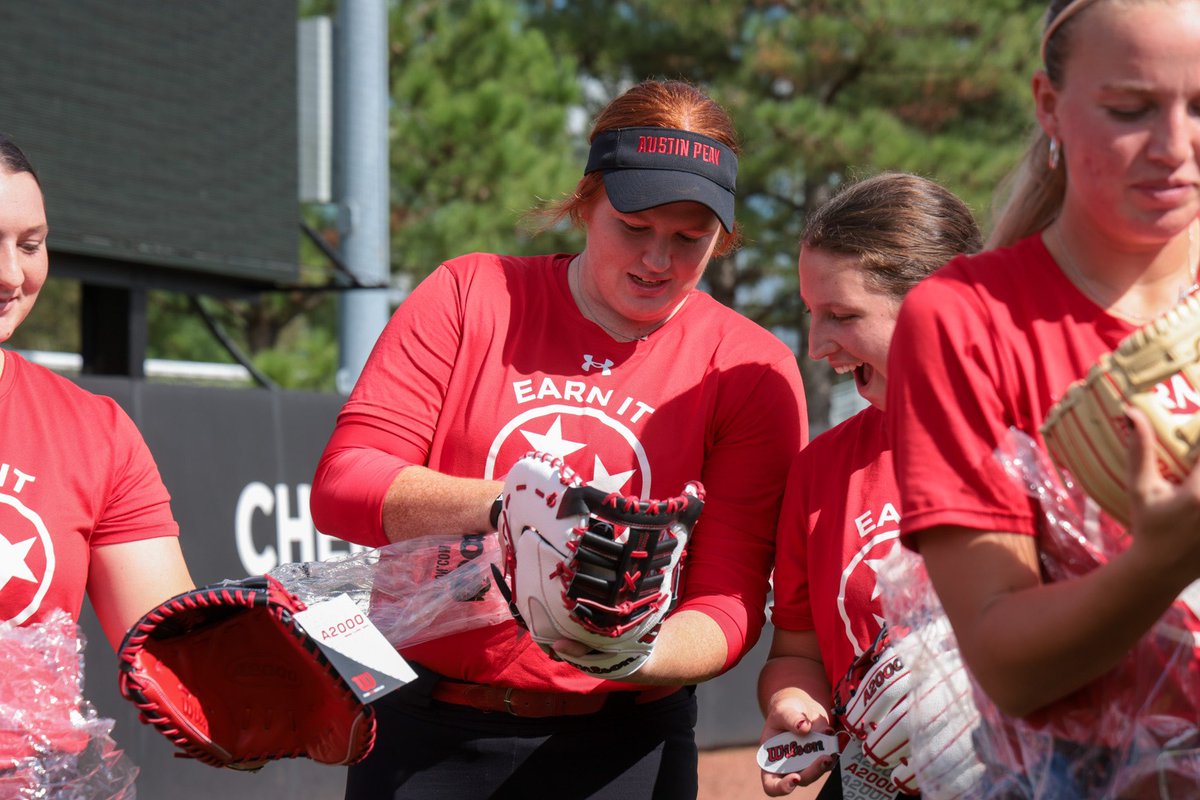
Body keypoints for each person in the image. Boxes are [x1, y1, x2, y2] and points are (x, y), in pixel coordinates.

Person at [310, 78, 808, 799]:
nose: (657, 262)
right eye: (634, 228)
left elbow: (728, 603)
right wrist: (516, 504)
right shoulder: (470, 293)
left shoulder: (749, 367)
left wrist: (625, 653)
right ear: (585, 202)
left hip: (625, 744)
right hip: (425, 729)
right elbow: (343, 485)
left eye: (689, 239)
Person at [886, 0, 1200, 791]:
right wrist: (1161, 562)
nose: (1174, 147)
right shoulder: (967, 320)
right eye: (1130, 110)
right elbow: (1008, 664)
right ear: (1048, 106)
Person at [756, 173, 982, 799]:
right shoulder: (821, 468)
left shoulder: (1053, 435)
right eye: (810, 313)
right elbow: (795, 652)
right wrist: (797, 708)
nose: (815, 345)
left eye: (842, 314)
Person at [0, 135, 195, 756]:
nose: (11, 275)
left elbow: (174, 649)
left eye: (30, 246)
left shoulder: (92, 431)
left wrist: (299, 686)